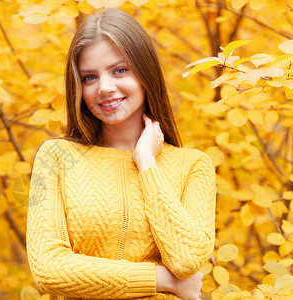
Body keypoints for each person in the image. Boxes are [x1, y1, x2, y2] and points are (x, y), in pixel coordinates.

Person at [26, 8, 216, 300]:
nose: (104, 88)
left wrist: (148, 164)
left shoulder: (193, 166)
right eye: (89, 77)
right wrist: (163, 280)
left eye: (119, 70)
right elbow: (48, 269)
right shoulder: (56, 157)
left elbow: (186, 260)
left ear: (145, 72)